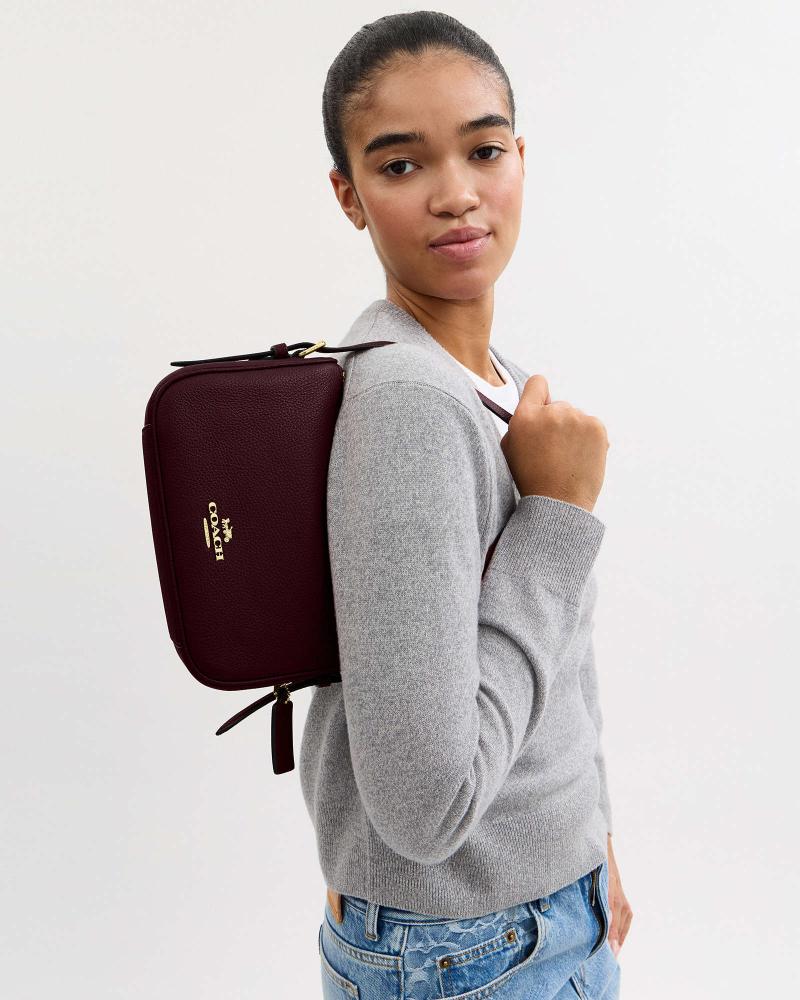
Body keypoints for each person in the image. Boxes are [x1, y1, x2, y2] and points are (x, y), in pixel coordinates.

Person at [299, 12, 633, 999]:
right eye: (400, 165)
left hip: (535, 915)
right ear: (348, 195)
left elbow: (557, 663)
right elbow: (424, 807)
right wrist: (556, 518)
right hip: (472, 946)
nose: (455, 194)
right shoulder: (409, 402)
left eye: (483, 150)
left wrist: (592, 839)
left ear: (520, 159)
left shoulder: (500, 384)